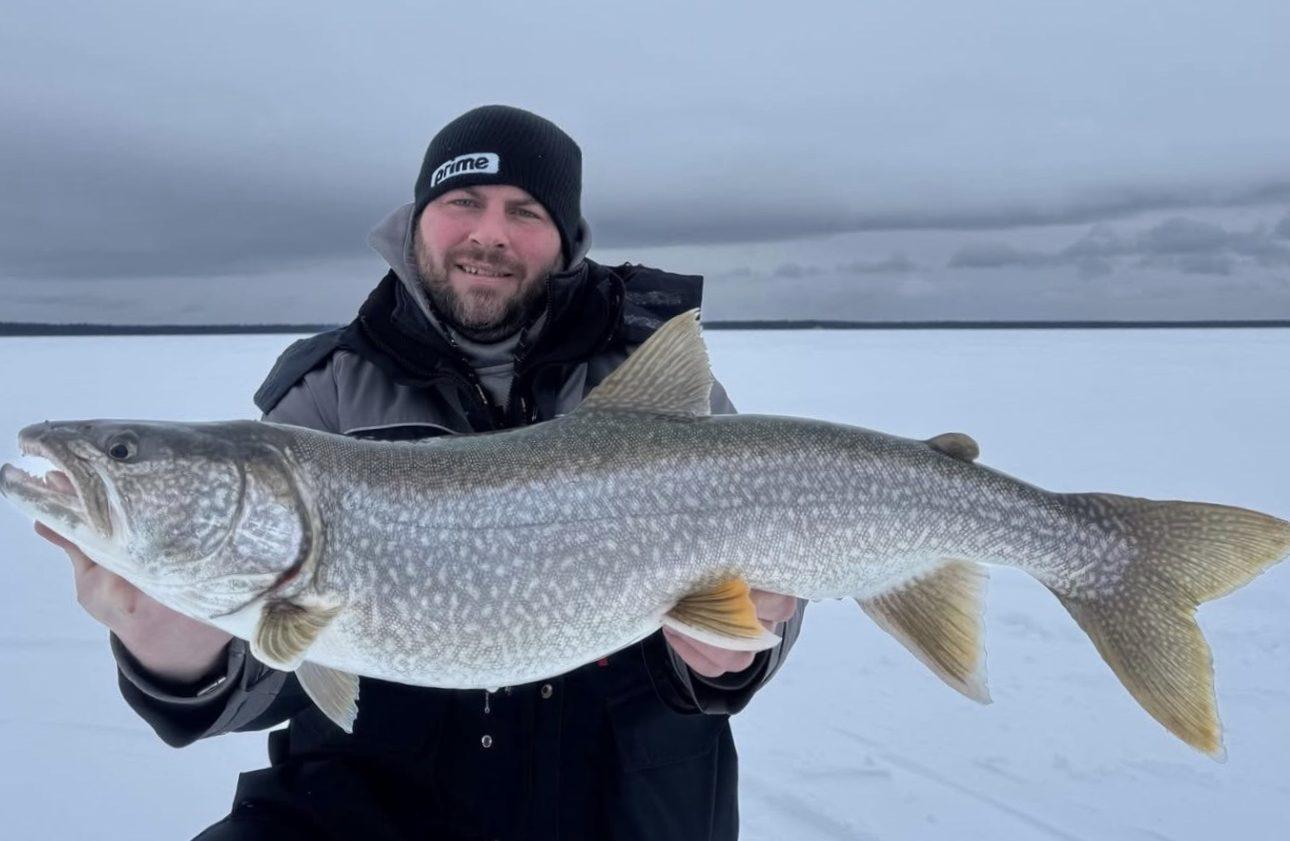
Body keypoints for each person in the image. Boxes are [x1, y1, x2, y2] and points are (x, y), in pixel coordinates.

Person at [38, 105, 805, 841]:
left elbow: (777, 574)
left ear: (566, 239)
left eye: (524, 211)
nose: (488, 232)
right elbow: (276, 666)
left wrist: (738, 650)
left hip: (627, 806)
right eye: (463, 200)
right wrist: (180, 655)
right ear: (416, 220)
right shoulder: (327, 391)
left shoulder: (654, 388)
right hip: (366, 812)